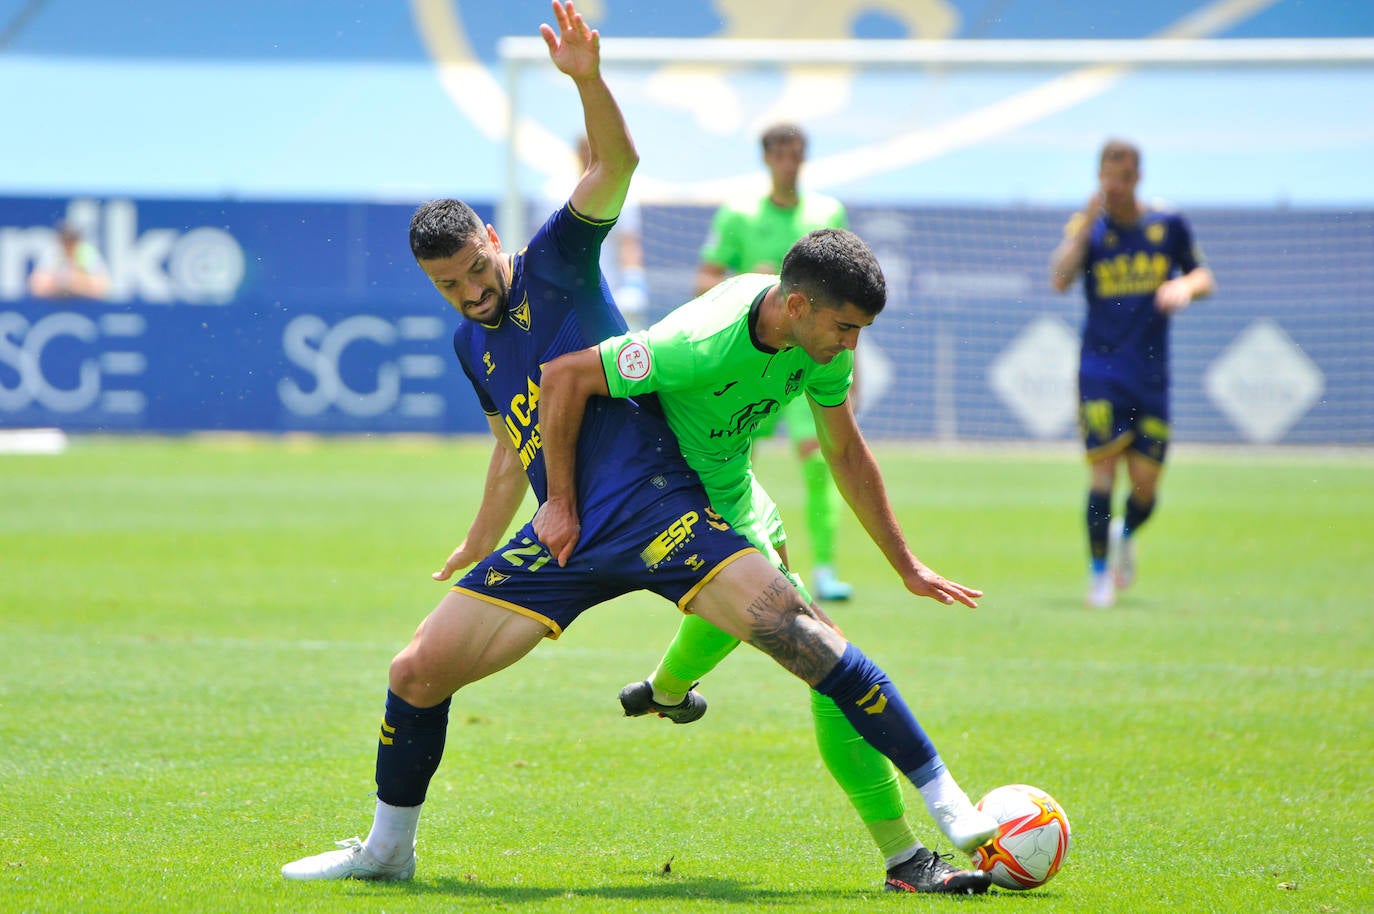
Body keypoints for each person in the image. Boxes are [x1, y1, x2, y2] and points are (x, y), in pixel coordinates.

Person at [281, 2, 994, 895]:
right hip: (563, 534)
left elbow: (614, 163)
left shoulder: (556, 262)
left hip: (659, 505)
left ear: (494, 242)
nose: (469, 292)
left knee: (801, 637)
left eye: (475, 270)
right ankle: (387, 850)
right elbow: (517, 449)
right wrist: (479, 539)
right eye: (447, 285)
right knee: (416, 670)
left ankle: (945, 815)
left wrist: (586, 79)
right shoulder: (472, 347)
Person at [536, 226, 997, 894]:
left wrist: (905, 564)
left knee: (777, 623)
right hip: (670, 510)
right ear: (799, 306)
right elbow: (566, 375)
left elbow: (844, 451)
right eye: (845, 327)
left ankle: (666, 690)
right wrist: (559, 502)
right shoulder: (695, 344)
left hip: (737, 498)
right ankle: (905, 858)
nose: (851, 345)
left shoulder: (820, 344)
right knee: (825, 654)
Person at [1049, 138, 1215, 608]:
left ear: (1137, 178)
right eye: (1107, 177)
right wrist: (1082, 228)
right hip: (1099, 370)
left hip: (1151, 374)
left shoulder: (1168, 224)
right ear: (1099, 176)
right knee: (1102, 476)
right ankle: (1098, 575)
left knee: (1146, 488)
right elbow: (1059, 278)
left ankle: (1125, 533)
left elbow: (1205, 276)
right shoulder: (1092, 230)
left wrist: (1183, 285)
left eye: (1123, 178)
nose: (1114, 187)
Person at [696, 123, 852, 601]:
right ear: (767, 159)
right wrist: (756, 284)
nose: (789, 162)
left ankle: (824, 569)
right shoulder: (738, 213)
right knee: (738, 461)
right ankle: (733, 558)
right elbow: (705, 282)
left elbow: (846, 297)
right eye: (780, 154)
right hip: (753, 363)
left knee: (819, 461)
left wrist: (850, 370)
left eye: (797, 153)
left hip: (805, 364)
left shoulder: (827, 212)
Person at [27, 220, 110, 300]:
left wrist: (75, 284)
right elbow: (36, 287)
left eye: (71, 241)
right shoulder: (53, 253)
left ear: (78, 241)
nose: (68, 246)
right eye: (65, 241)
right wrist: (61, 285)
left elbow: (103, 287)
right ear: (59, 241)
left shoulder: (87, 253)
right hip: (56, 307)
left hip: (87, 308)